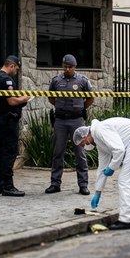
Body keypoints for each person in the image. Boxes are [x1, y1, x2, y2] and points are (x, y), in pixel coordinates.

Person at [73, 118, 130, 230]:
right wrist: (98, 192)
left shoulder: (99, 130)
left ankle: (126, 220)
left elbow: (119, 150)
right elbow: (102, 168)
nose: (86, 146)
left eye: (83, 143)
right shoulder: (99, 141)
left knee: (126, 181)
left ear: (85, 136)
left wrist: (112, 167)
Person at [45, 54, 94, 195]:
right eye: (65, 66)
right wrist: (60, 107)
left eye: (70, 67)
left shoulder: (82, 80)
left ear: (75, 67)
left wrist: (81, 108)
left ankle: (83, 185)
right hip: (60, 120)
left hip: (77, 120)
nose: (67, 69)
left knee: (80, 153)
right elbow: (51, 97)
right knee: (57, 152)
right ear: (62, 66)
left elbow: (90, 98)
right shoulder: (56, 80)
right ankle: (55, 183)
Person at [0, 55, 31, 197]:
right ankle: (8, 186)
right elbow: (11, 101)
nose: (16, 72)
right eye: (16, 69)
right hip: (8, 120)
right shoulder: (6, 80)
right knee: (9, 152)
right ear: (11, 65)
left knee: (0, 152)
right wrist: (25, 99)